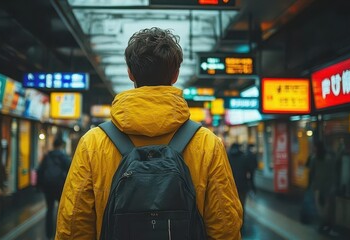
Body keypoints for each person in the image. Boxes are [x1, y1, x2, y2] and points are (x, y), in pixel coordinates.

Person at [56, 27, 242, 239]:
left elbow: (73, 226)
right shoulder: (207, 143)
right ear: (175, 74)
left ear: (130, 73)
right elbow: (226, 226)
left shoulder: (93, 143)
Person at [38, 138, 71, 240]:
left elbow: (40, 171)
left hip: (48, 188)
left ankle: (48, 234)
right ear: (61, 146)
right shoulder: (64, 157)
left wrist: (40, 186)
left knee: (49, 209)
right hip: (59, 187)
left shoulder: (47, 156)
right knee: (60, 210)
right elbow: (71, 172)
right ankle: (58, 232)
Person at [307, 140, 338, 235]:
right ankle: (328, 226)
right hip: (329, 187)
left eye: (314, 147)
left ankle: (323, 225)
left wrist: (309, 186)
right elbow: (333, 172)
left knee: (320, 209)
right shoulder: (329, 158)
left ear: (317, 148)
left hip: (319, 188)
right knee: (329, 209)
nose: (312, 148)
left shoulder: (314, 159)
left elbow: (311, 173)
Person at [227, 143, 249, 232]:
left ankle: (233, 224)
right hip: (242, 186)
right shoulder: (244, 157)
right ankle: (241, 223)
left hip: (230, 187)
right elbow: (248, 172)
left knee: (231, 206)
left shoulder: (227, 157)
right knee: (242, 205)